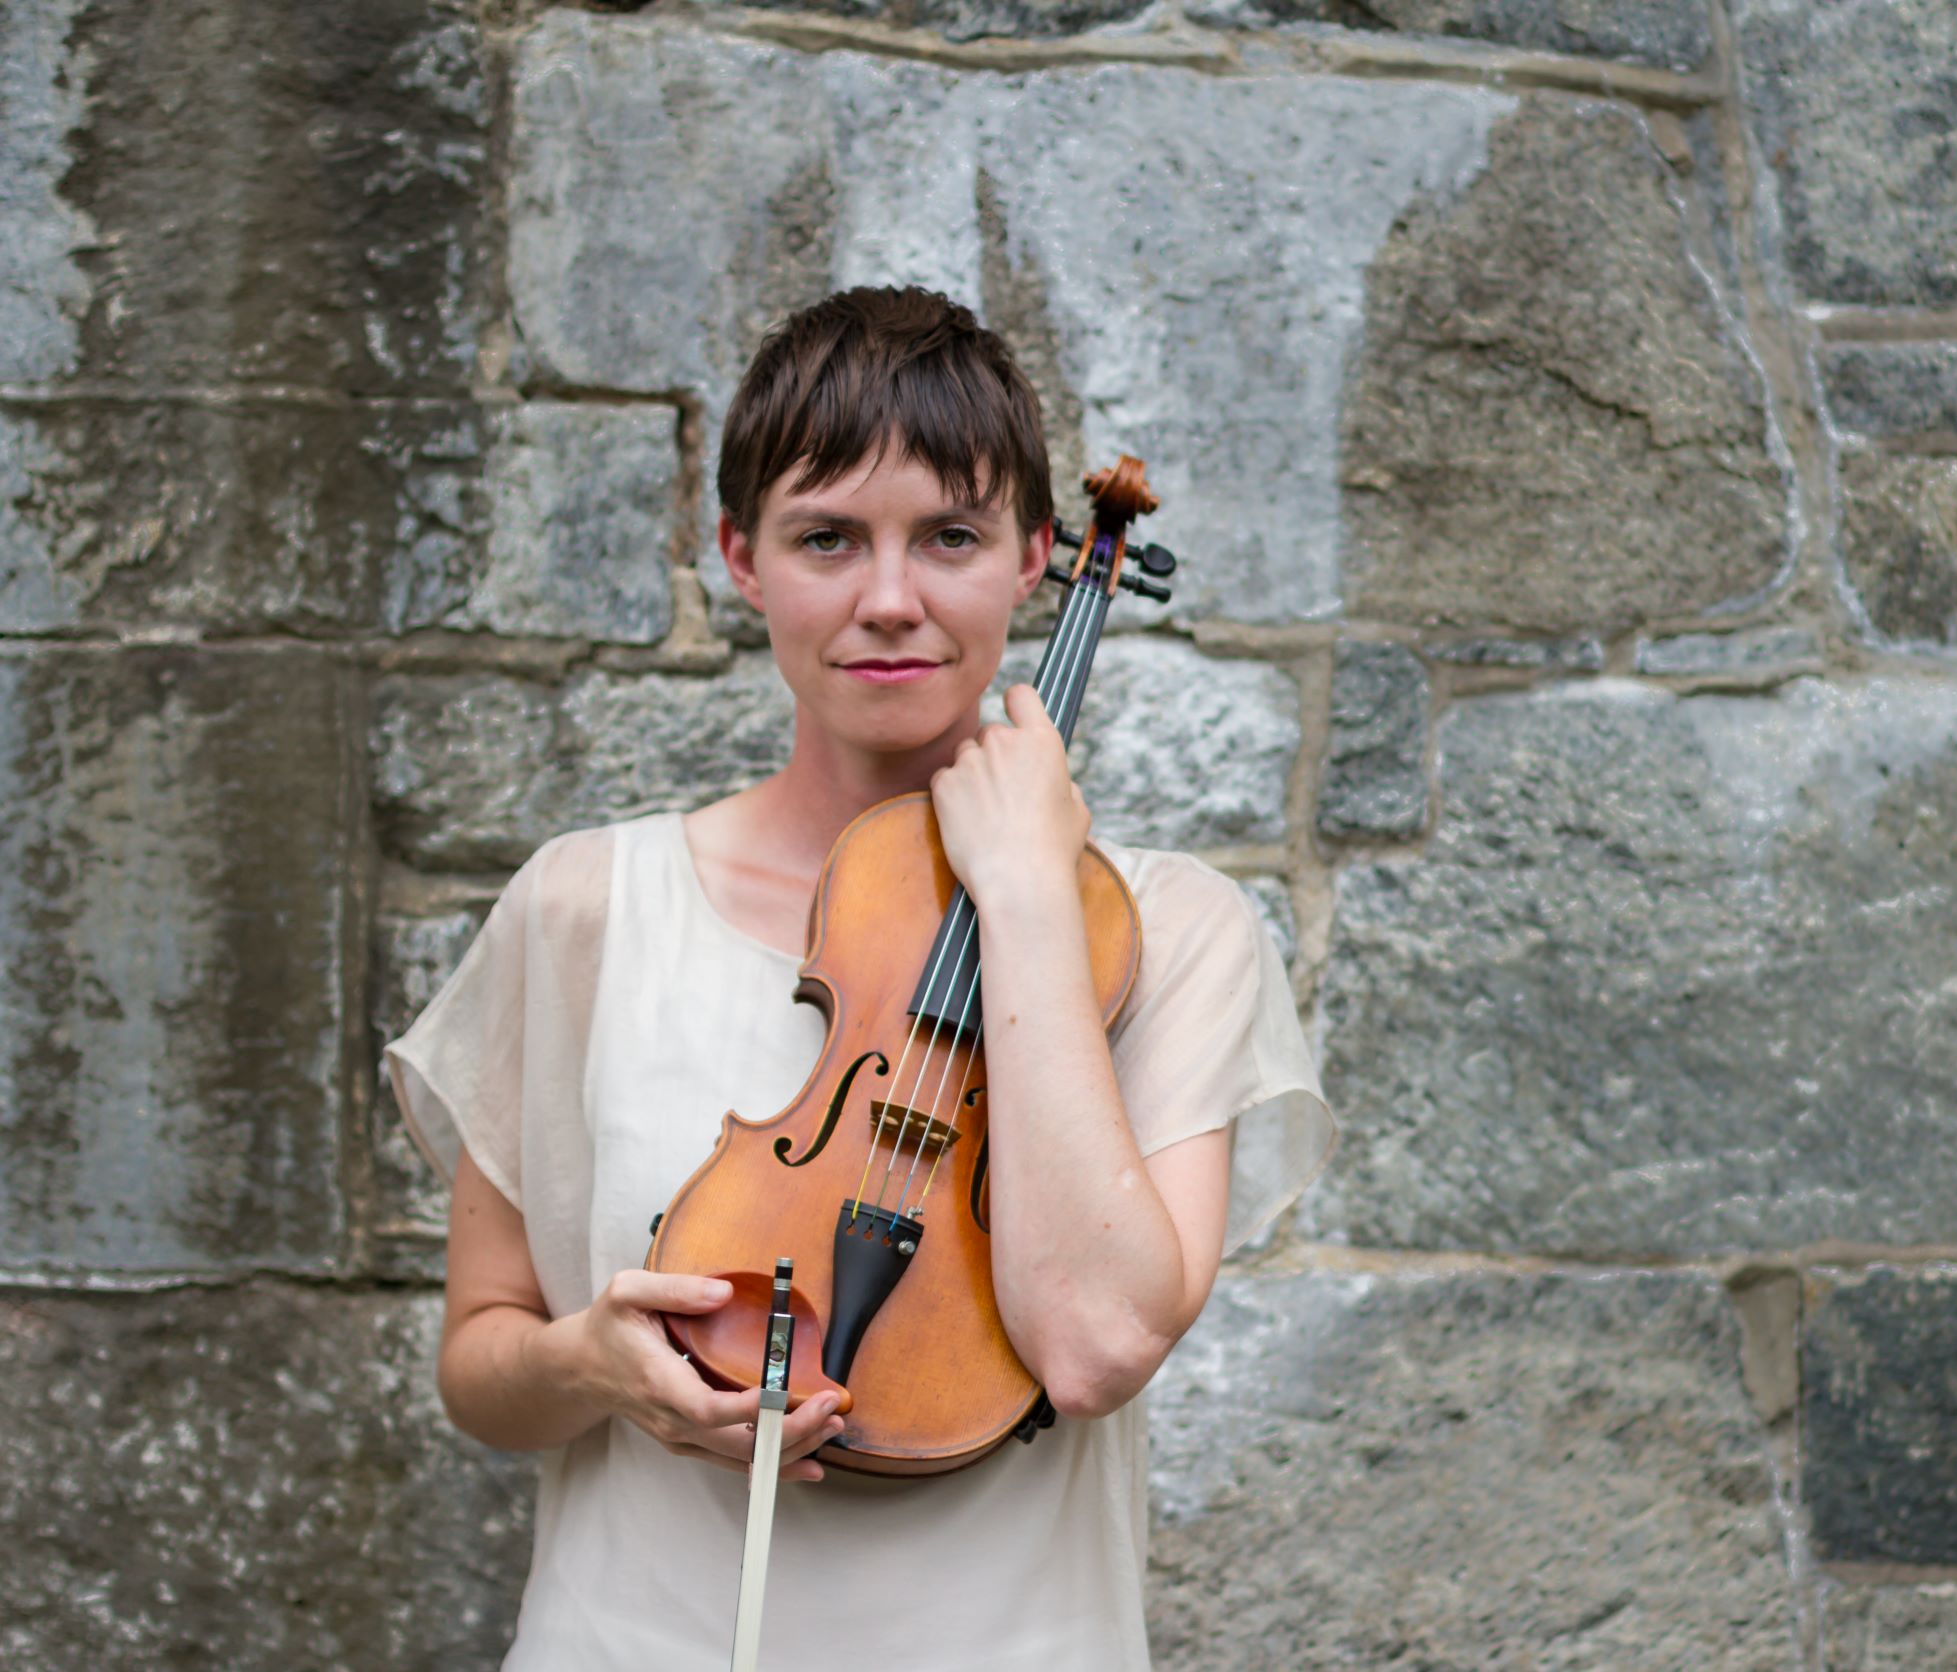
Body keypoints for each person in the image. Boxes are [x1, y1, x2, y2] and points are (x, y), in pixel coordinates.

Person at [384, 285, 1335, 1669]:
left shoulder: (1170, 935)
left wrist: (1020, 897)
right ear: (741, 557)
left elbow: (1095, 1346)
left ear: (1031, 561)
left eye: (949, 537)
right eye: (827, 538)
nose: (889, 601)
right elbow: (484, 1365)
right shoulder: (585, 905)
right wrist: (591, 1364)